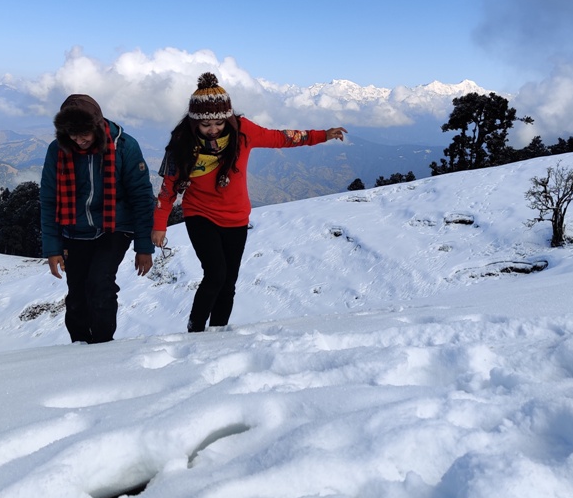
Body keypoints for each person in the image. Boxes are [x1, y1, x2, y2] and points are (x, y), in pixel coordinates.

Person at [152, 72, 347, 333]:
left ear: (227, 118)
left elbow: (281, 137)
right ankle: (195, 329)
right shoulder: (182, 145)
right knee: (216, 274)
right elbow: (168, 191)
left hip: (236, 218)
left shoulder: (242, 132)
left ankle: (219, 331)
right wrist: (159, 225)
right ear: (193, 123)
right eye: (206, 125)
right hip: (199, 213)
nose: (213, 130)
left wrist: (321, 135)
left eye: (219, 123)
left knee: (229, 281)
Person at [40, 93, 155, 343]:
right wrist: (52, 248)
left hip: (114, 228)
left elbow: (142, 197)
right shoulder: (57, 151)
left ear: (97, 128)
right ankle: (80, 345)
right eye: (72, 135)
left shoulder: (124, 146)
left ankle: (102, 346)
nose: (79, 141)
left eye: (84, 134)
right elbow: (49, 200)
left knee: (100, 285)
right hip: (74, 230)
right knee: (77, 295)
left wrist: (143, 246)